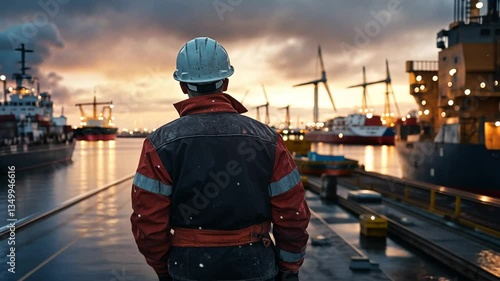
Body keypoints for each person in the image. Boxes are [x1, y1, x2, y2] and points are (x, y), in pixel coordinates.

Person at [131, 37, 310, 281]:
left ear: (183, 86)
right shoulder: (267, 139)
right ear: (225, 82)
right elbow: (292, 214)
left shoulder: (160, 143)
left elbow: (148, 221)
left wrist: (163, 267)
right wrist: (289, 268)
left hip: (188, 266)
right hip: (254, 264)